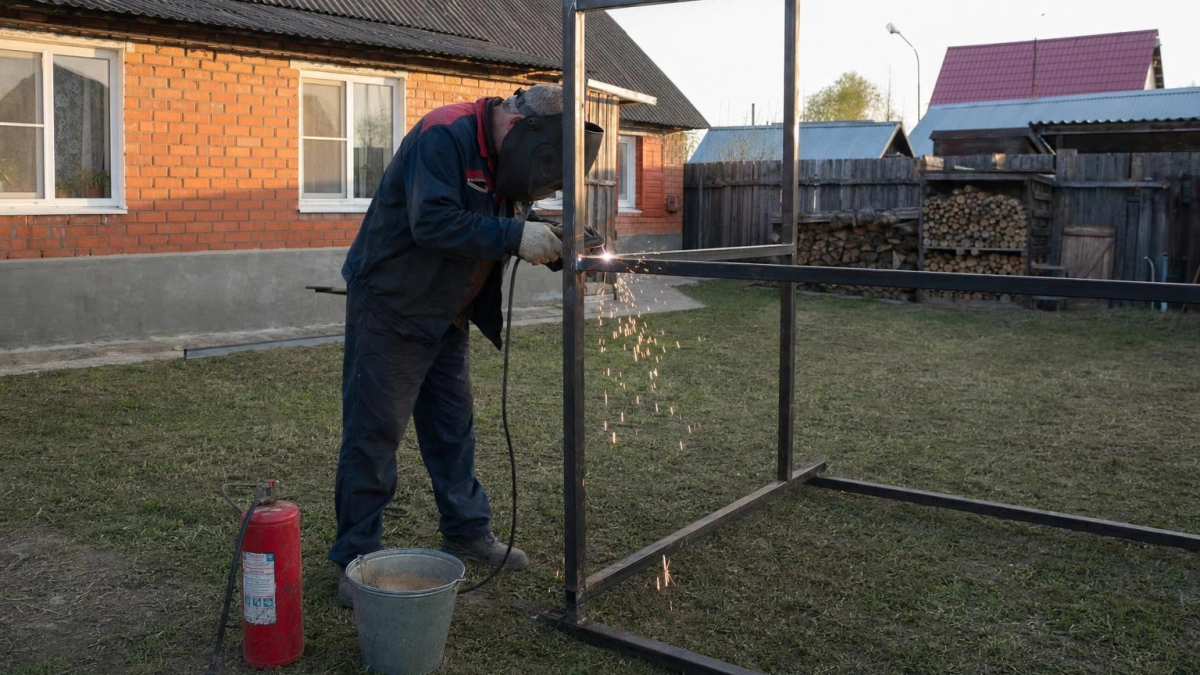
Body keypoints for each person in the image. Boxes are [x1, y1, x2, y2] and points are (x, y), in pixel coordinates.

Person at [329, 85, 567, 606]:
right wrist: (512, 237)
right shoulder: (446, 133)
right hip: (393, 303)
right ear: (517, 124)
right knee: (375, 436)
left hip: (447, 310)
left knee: (451, 428)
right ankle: (354, 559)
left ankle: (465, 528)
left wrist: (551, 239)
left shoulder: (509, 155)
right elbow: (433, 221)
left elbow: (494, 217)